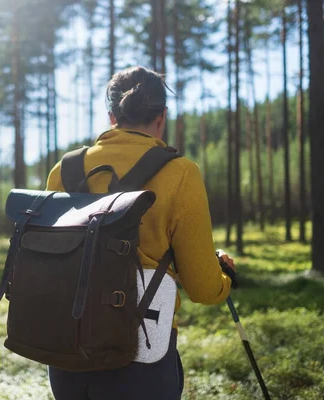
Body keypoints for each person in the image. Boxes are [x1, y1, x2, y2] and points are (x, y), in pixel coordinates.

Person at [44, 66, 237, 400]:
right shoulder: (180, 173)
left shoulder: (65, 170)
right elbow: (204, 289)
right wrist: (225, 276)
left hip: (68, 350)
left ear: (111, 117)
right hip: (142, 354)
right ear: (161, 116)